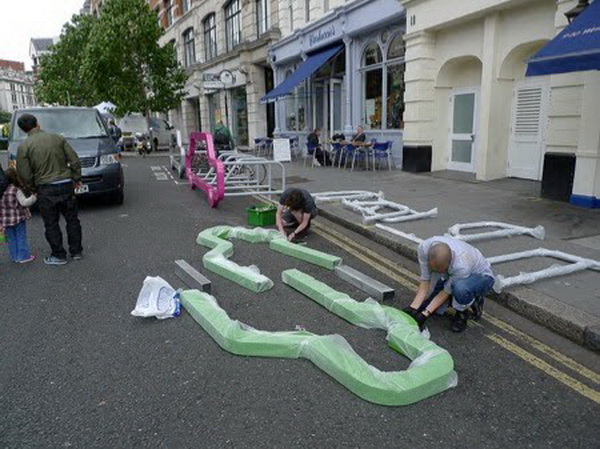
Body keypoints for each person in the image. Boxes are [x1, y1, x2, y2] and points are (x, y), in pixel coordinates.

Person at [16, 113, 84, 266]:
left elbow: (24, 173)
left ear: (23, 129)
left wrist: (33, 188)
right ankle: (76, 251)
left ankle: (59, 255)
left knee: (51, 223)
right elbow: (74, 160)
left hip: (45, 187)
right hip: (66, 183)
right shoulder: (57, 138)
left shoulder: (24, 147)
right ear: (37, 124)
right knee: (72, 219)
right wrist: (76, 178)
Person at [403, 236, 495, 332]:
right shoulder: (423, 248)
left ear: (449, 263)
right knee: (428, 307)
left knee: (460, 289)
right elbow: (425, 280)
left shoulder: (461, 266)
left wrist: (425, 314)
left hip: (481, 277)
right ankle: (452, 299)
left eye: (441, 270)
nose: (438, 273)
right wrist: (413, 307)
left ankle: (463, 311)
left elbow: (446, 291)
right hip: (453, 275)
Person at [0, 168, 36, 264]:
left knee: (11, 238)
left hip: (5, 220)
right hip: (18, 218)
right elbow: (24, 202)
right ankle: (23, 256)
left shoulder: (1, 190)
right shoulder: (15, 189)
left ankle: (15, 256)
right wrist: (34, 197)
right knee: (20, 236)